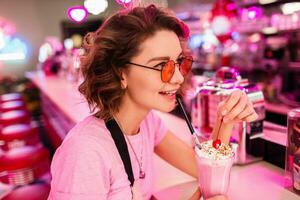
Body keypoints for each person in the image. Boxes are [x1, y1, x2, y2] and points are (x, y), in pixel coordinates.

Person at [48, 4, 258, 200]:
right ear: (121, 73)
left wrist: (226, 119)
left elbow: (203, 168)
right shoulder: (85, 152)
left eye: (178, 62)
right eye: (160, 66)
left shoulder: (148, 124)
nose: (178, 78)